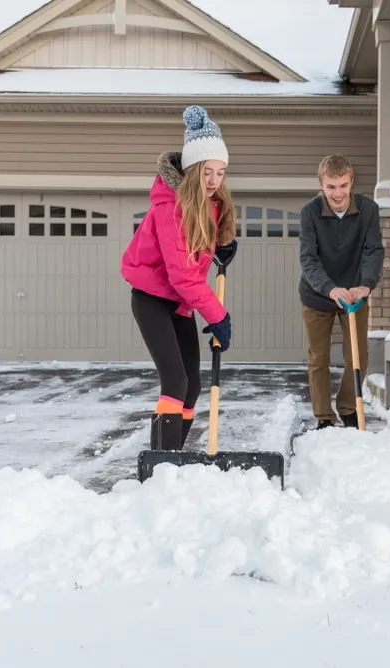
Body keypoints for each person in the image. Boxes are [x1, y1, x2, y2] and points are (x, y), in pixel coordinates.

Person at [120, 105, 238, 451]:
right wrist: (218, 315)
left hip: (179, 302)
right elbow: (182, 274)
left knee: (192, 387)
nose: (215, 180)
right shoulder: (170, 208)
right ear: (191, 170)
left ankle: (172, 457)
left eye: (221, 172)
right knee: (174, 381)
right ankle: (161, 464)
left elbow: (199, 246)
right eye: (207, 172)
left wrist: (221, 245)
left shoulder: (209, 203)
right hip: (153, 299)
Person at [297, 154, 384, 430]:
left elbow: (374, 251)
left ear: (351, 183)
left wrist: (366, 285)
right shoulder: (310, 212)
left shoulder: (368, 210)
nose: (338, 193)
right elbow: (308, 258)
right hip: (317, 294)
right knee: (318, 357)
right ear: (322, 185)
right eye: (331, 187)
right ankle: (323, 417)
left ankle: (348, 408)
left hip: (355, 294)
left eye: (343, 186)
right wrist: (330, 289)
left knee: (357, 355)